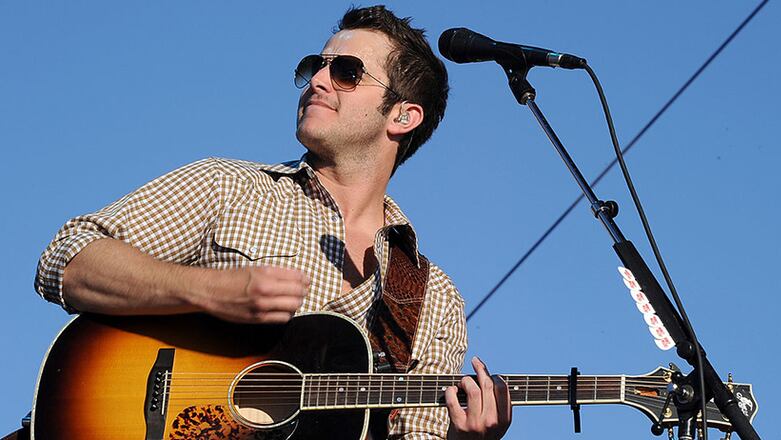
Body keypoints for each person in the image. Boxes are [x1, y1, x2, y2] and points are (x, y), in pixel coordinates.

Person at [35, 5, 511, 440]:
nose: (318, 81)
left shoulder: (433, 297)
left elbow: (418, 433)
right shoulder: (229, 186)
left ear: (404, 116)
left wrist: (466, 439)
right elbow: (66, 260)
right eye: (315, 66)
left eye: (347, 72)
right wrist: (207, 289)